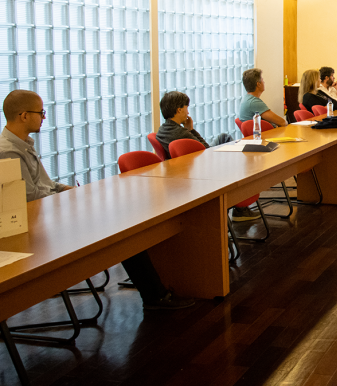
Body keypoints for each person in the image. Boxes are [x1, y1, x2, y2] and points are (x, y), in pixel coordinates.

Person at [0, 90, 193, 310]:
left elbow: (47, 185)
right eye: (40, 112)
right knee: (122, 229)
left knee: (126, 223)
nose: (44, 117)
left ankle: (155, 293)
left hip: (51, 213)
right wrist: (70, 198)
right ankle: (155, 296)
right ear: (23, 115)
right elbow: (31, 200)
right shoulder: (8, 152)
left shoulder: (24, 144)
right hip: (39, 225)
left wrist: (72, 190)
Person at [156, 91, 233, 159]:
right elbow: (207, 149)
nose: (188, 113)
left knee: (223, 137)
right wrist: (191, 130)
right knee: (225, 137)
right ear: (179, 110)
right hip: (202, 159)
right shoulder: (181, 133)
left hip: (187, 161)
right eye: (186, 108)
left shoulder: (161, 130)